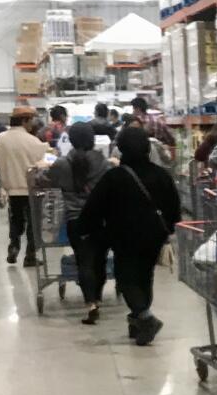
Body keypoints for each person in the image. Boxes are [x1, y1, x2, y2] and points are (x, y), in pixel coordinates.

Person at [76, 126, 179, 346]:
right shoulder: (162, 175)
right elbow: (174, 209)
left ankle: (145, 317)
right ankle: (137, 323)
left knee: (126, 279)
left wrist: (84, 228)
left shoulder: (115, 177)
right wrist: (167, 230)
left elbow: (94, 207)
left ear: (120, 148)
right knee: (145, 276)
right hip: (154, 237)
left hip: (124, 237)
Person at [39, 122, 110, 324]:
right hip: (101, 219)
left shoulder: (62, 164)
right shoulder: (102, 163)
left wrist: (41, 170)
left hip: (76, 221)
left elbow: (44, 179)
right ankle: (98, 296)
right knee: (100, 261)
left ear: (70, 140)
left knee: (84, 262)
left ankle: (91, 304)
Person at [0, 111, 47, 267]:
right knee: (33, 222)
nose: (32, 124)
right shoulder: (32, 140)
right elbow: (42, 161)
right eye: (31, 120)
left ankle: (14, 246)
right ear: (25, 121)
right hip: (30, 188)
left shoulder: (1, 138)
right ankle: (30, 256)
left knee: (16, 219)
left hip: (11, 187)